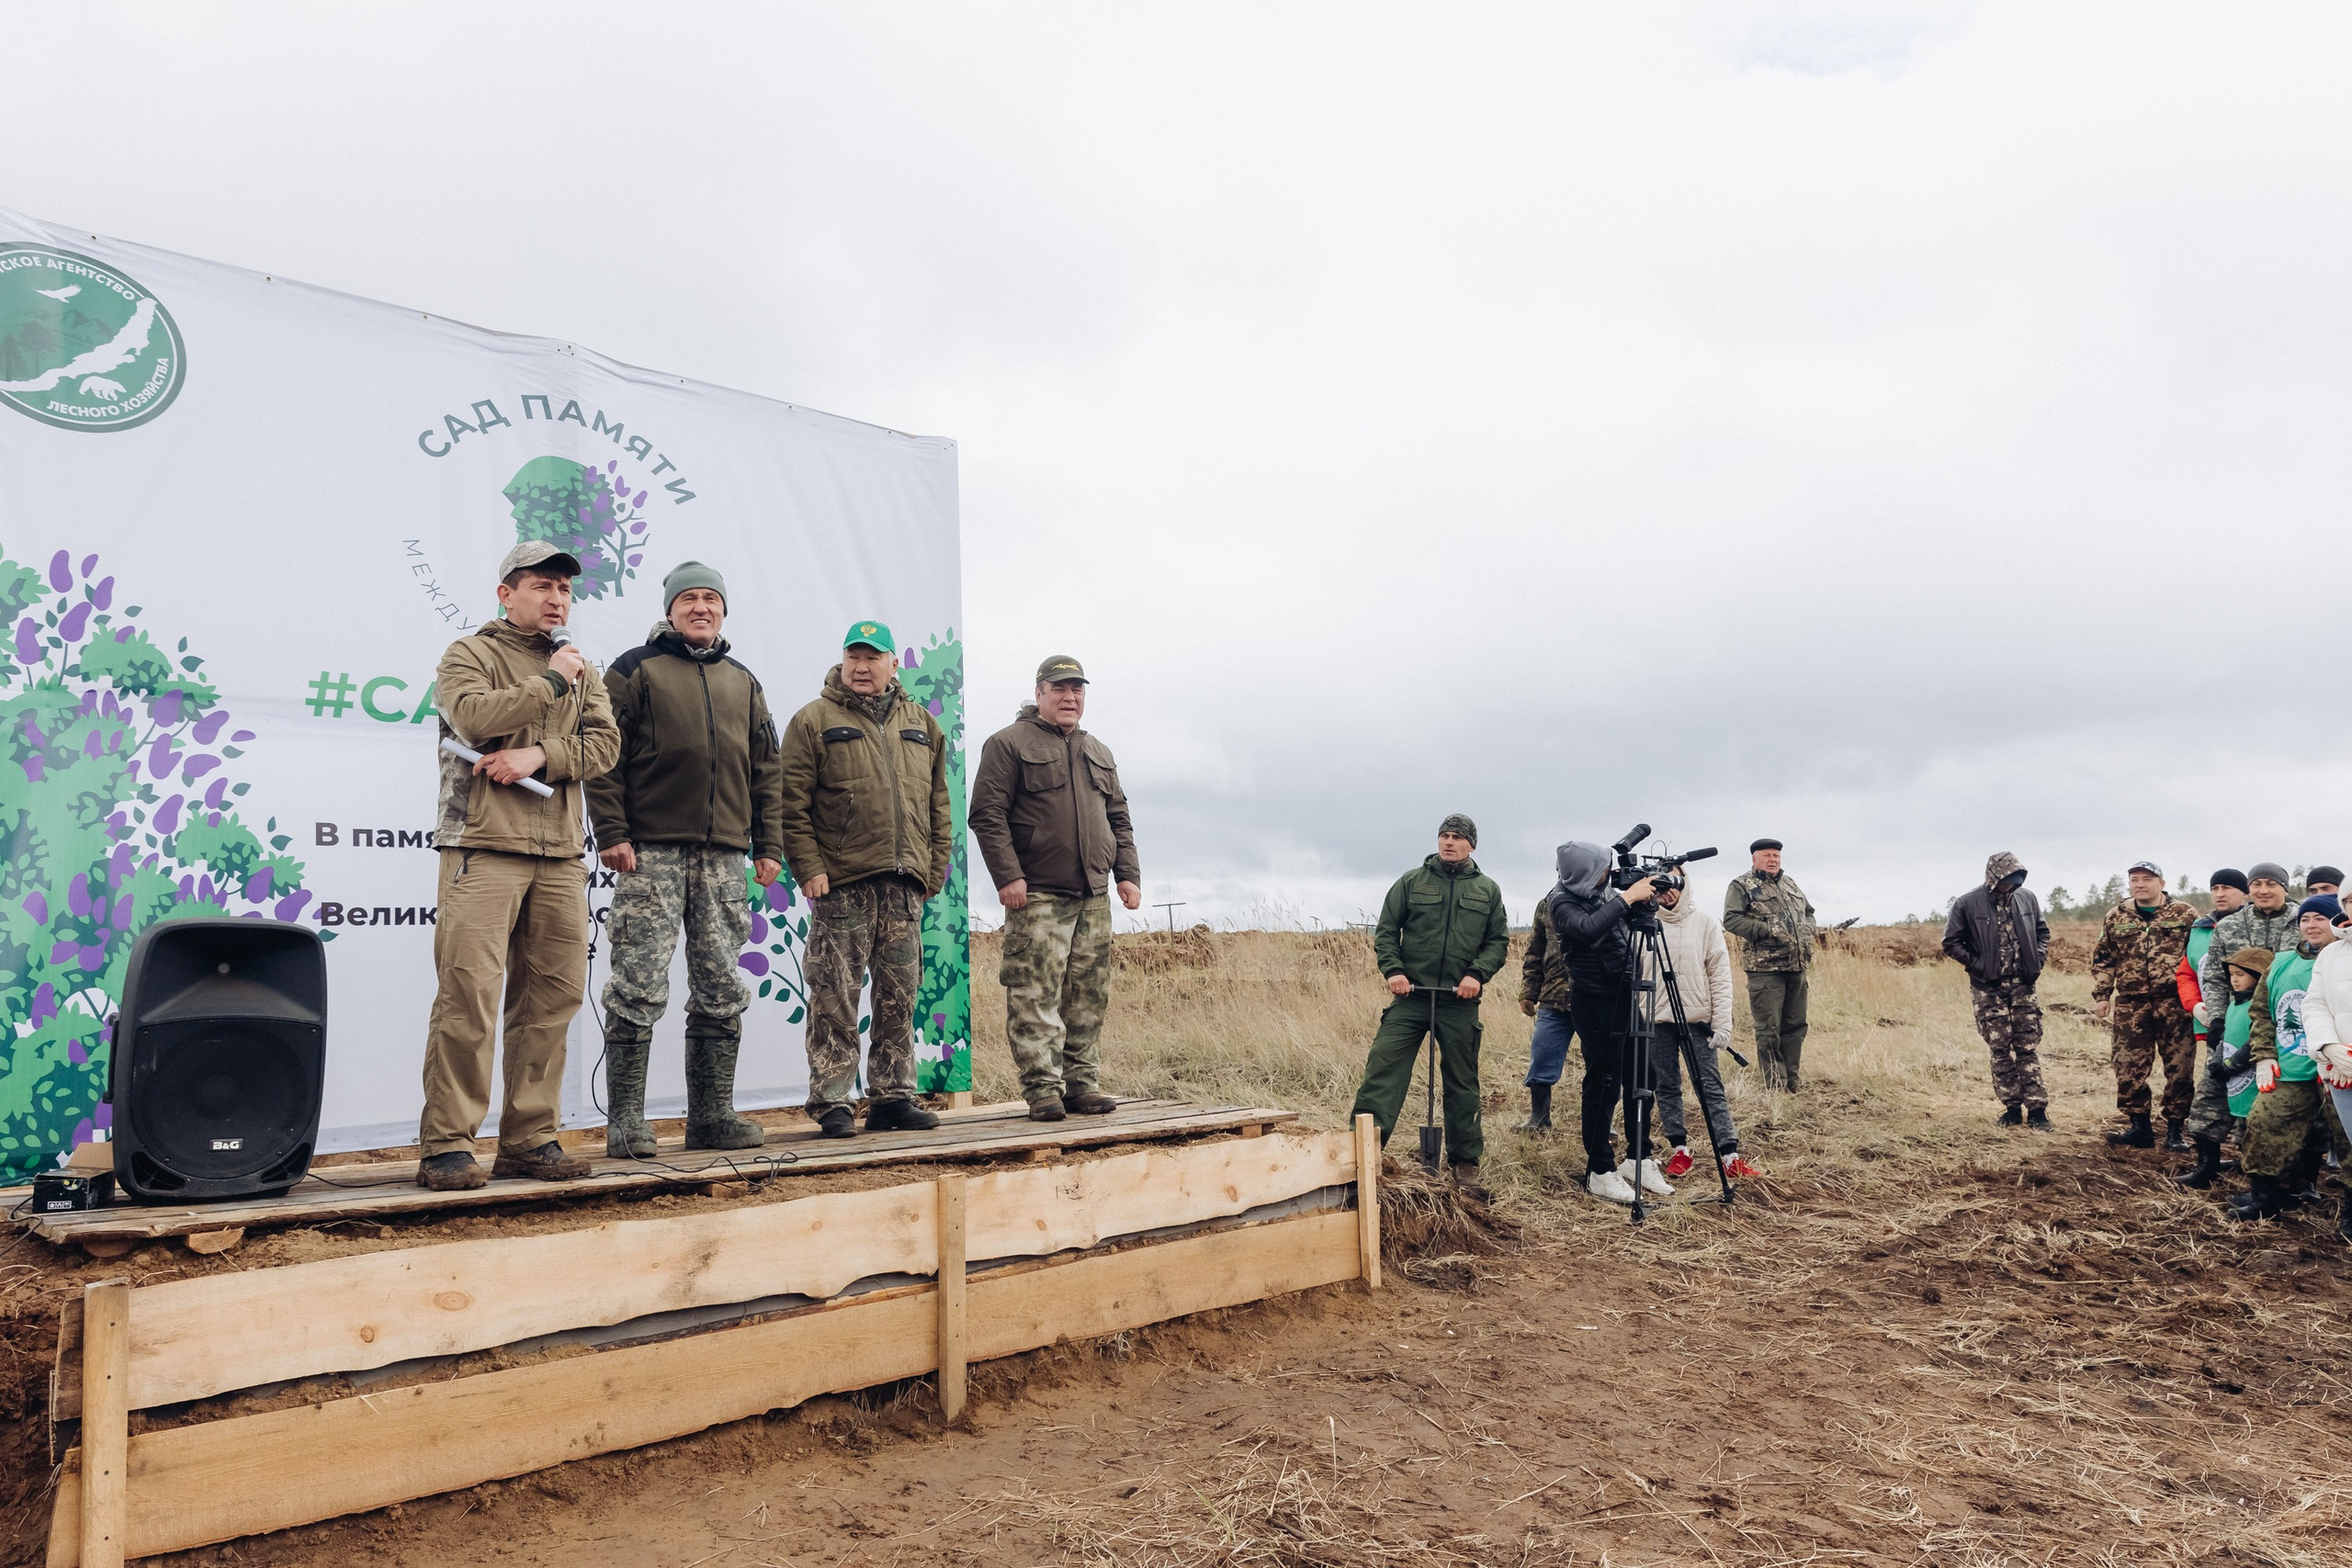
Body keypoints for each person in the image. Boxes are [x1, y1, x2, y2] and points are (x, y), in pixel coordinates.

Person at [416, 542, 621, 1191]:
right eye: (542, 585)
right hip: (483, 844)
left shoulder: (584, 669)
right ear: (506, 593)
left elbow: (606, 744)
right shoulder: (469, 654)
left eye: (564, 588)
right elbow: (472, 718)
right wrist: (552, 682)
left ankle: (530, 1138)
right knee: (468, 995)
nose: (557, 598)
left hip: (559, 853)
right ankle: (448, 1145)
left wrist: (541, 756)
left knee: (552, 998)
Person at [586, 563, 786, 1156]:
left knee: (723, 983)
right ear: (670, 609)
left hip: (724, 855)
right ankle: (625, 1121)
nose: (701, 607)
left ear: (723, 610)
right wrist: (614, 831)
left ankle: (713, 1116)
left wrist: (768, 844)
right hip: (650, 850)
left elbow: (767, 769)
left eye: (711, 598)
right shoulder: (634, 668)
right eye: (689, 598)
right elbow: (603, 755)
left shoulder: (743, 681)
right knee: (638, 983)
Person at [776, 620, 955, 1138]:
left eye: (873, 657)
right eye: (854, 655)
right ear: (843, 660)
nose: (862, 666)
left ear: (893, 664)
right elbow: (792, 805)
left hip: (904, 885)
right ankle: (833, 1100)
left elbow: (938, 802)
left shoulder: (923, 722)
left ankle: (892, 1097)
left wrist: (934, 865)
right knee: (834, 992)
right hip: (842, 883)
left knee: (900, 994)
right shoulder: (812, 721)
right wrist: (808, 868)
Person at [969, 656, 1142, 1121]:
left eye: (1077, 690)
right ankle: (1043, 1089)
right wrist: (1008, 876)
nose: (1070, 698)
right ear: (1039, 692)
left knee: (1089, 994)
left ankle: (1081, 1084)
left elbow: (1119, 819)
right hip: (1038, 894)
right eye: (1060, 689)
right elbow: (987, 815)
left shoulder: (1099, 751)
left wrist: (1127, 875)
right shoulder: (1008, 744)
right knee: (1034, 993)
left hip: (1093, 894)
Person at [1349, 816, 1510, 1190]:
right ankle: (1360, 1155)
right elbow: (1387, 931)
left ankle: (1465, 1163)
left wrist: (1476, 975)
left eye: (1457, 838)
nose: (1449, 842)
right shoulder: (1411, 882)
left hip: (1459, 1002)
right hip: (1411, 998)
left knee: (1462, 1082)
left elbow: (1497, 942)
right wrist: (1394, 972)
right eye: (1444, 836)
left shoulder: (1487, 890)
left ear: (1472, 845)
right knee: (1382, 1071)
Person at [2226, 896, 2351, 1221]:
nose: (2311, 925)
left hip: (2339, 1069)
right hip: (2291, 1067)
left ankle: (2348, 1212)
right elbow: (2261, 1013)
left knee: (2347, 1140)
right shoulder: (2281, 962)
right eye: (2305, 919)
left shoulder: (2342, 958)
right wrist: (2264, 1056)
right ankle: (2265, 1196)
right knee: (2265, 1124)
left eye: (2320, 918)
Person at [1545, 840, 1652, 1204]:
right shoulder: (1560, 900)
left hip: (1624, 993)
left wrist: (1641, 897)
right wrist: (1626, 899)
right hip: (1595, 1001)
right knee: (1604, 1083)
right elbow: (1589, 929)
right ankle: (1600, 1170)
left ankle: (1638, 1158)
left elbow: (1621, 920)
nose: (1608, 874)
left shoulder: (1598, 889)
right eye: (1602, 869)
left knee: (1643, 1072)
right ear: (1586, 871)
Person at [1639, 878, 1758, 1181]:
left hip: (1697, 1022)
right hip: (1656, 1021)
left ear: (1685, 884)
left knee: (1709, 1086)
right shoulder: (1643, 924)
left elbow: (1720, 977)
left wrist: (1722, 1025)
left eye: (1673, 882)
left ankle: (1729, 1155)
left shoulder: (1705, 923)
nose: (1667, 891)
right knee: (1665, 1086)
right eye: (1659, 884)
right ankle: (1679, 1149)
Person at [2187, 863, 2300, 1166]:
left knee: (2278, 1099)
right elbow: (2213, 976)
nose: (2263, 890)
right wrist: (2219, 1019)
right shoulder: (2229, 926)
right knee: (2213, 1088)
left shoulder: (2303, 922)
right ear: (2249, 889)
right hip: (2236, 1023)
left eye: (2271, 884)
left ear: (2285, 889)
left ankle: (2288, 1177)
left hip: (2287, 1028)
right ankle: (2206, 1165)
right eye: (2257, 883)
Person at [2090, 861, 2199, 1150]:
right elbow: (2104, 958)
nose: (2140, 884)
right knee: (2127, 1066)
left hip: (2174, 1003)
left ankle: (2175, 1129)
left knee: (2180, 1067)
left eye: (2147, 879)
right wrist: (2102, 995)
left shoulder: (2185, 914)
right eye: (2134, 879)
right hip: (2131, 1003)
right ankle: (2139, 1126)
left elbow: (2200, 956)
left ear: (2161, 883)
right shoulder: (2115, 916)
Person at [1941, 852, 2053, 1128]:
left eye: (2015, 881)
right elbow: (1951, 942)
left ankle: (2038, 1111)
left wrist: (2036, 960)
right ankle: (2012, 1109)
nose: (2010, 886)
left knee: (2027, 1047)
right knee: (2000, 1048)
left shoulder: (2027, 898)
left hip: (2024, 986)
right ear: (1993, 878)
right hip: (1988, 989)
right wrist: (1979, 966)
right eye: (2005, 881)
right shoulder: (1968, 903)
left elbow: (2042, 933)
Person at [1724, 839, 1816, 1091]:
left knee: (1796, 1026)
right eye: (1767, 855)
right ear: (1754, 858)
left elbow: (1809, 912)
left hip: (1796, 967)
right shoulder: (1742, 885)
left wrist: (1807, 929)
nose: (1773, 859)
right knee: (1769, 1030)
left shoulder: (1790, 884)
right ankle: (1775, 1085)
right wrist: (1766, 930)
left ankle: (1793, 1082)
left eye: (1776, 855)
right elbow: (1731, 920)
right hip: (1765, 970)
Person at [2178, 946, 2269, 1190]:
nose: (2234, 979)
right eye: (2231, 974)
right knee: (2205, 1109)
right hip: (2228, 1071)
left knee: (2254, 1126)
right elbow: (2229, 1034)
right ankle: (2207, 1166)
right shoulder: (2233, 1004)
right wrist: (2219, 1058)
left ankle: (2260, 1180)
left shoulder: (2261, 1007)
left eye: (2241, 974)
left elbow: (2258, 1038)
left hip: (2252, 1074)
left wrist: (2231, 1063)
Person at [2290, 910, 2352, 1243]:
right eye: (2349, 900)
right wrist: (2330, 1049)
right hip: (2342, 1072)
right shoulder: (2332, 955)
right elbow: (2315, 1005)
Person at [1517, 889, 1573, 1134]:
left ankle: (1605, 1123)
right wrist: (1529, 991)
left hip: (1596, 999)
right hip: (1553, 997)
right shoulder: (1547, 904)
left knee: (1601, 1064)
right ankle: (1539, 1118)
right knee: (1542, 1056)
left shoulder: (1609, 900)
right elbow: (1535, 951)